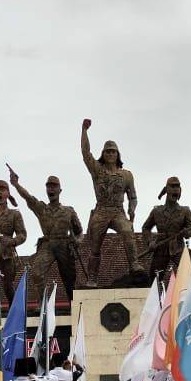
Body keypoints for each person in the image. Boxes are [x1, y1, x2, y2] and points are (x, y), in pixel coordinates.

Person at [8, 168, 84, 300]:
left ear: (60, 190)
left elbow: (80, 232)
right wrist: (16, 184)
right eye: (49, 187)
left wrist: (77, 242)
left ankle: (74, 304)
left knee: (69, 279)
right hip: (47, 245)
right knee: (37, 272)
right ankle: (44, 303)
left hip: (64, 245)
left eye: (54, 187)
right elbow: (28, 197)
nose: (51, 189)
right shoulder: (41, 209)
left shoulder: (69, 211)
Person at [80, 118, 141, 282]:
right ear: (103, 154)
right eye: (107, 151)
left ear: (118, 154)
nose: (110, 154)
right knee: (95, 246)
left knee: (128, 231)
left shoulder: (126, 175)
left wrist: (132, 209)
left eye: (113, 151)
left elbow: (133, 196)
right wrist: (84, 131)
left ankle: (134, 265)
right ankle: (92, 277)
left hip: (117, 211)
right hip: (101, 210)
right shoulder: (97, 170)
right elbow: (86, 154)